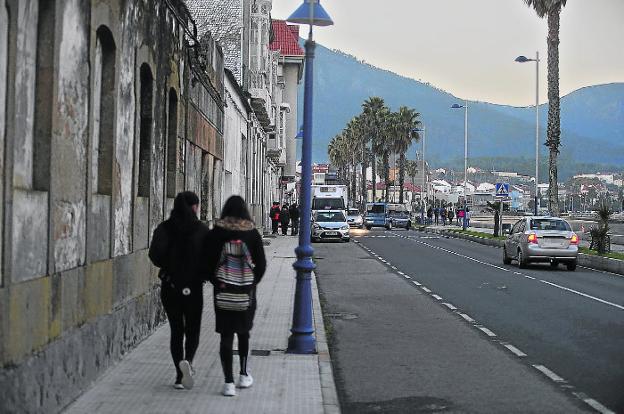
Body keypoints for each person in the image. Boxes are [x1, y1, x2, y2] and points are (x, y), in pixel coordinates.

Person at [205, 196, 267, 397]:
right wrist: (250, 283)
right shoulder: (251, 232)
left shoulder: (217, 232)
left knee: (225, 334)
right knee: (243, 332)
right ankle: (243, 374)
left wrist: (218, 283)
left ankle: (228, 382)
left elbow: (206, 263)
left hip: (223, 292)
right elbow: (262, 264)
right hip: (245, 292)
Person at [149, 191, 209, 390]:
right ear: (194, 207)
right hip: (193, 288)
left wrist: (171, 265)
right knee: (192, 329)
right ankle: (188, 363)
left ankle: (178, 374)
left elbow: (154, 255)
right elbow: (210, 259)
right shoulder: (201, 230)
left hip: (170, 286)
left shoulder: (164, 228)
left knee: (176, 330)